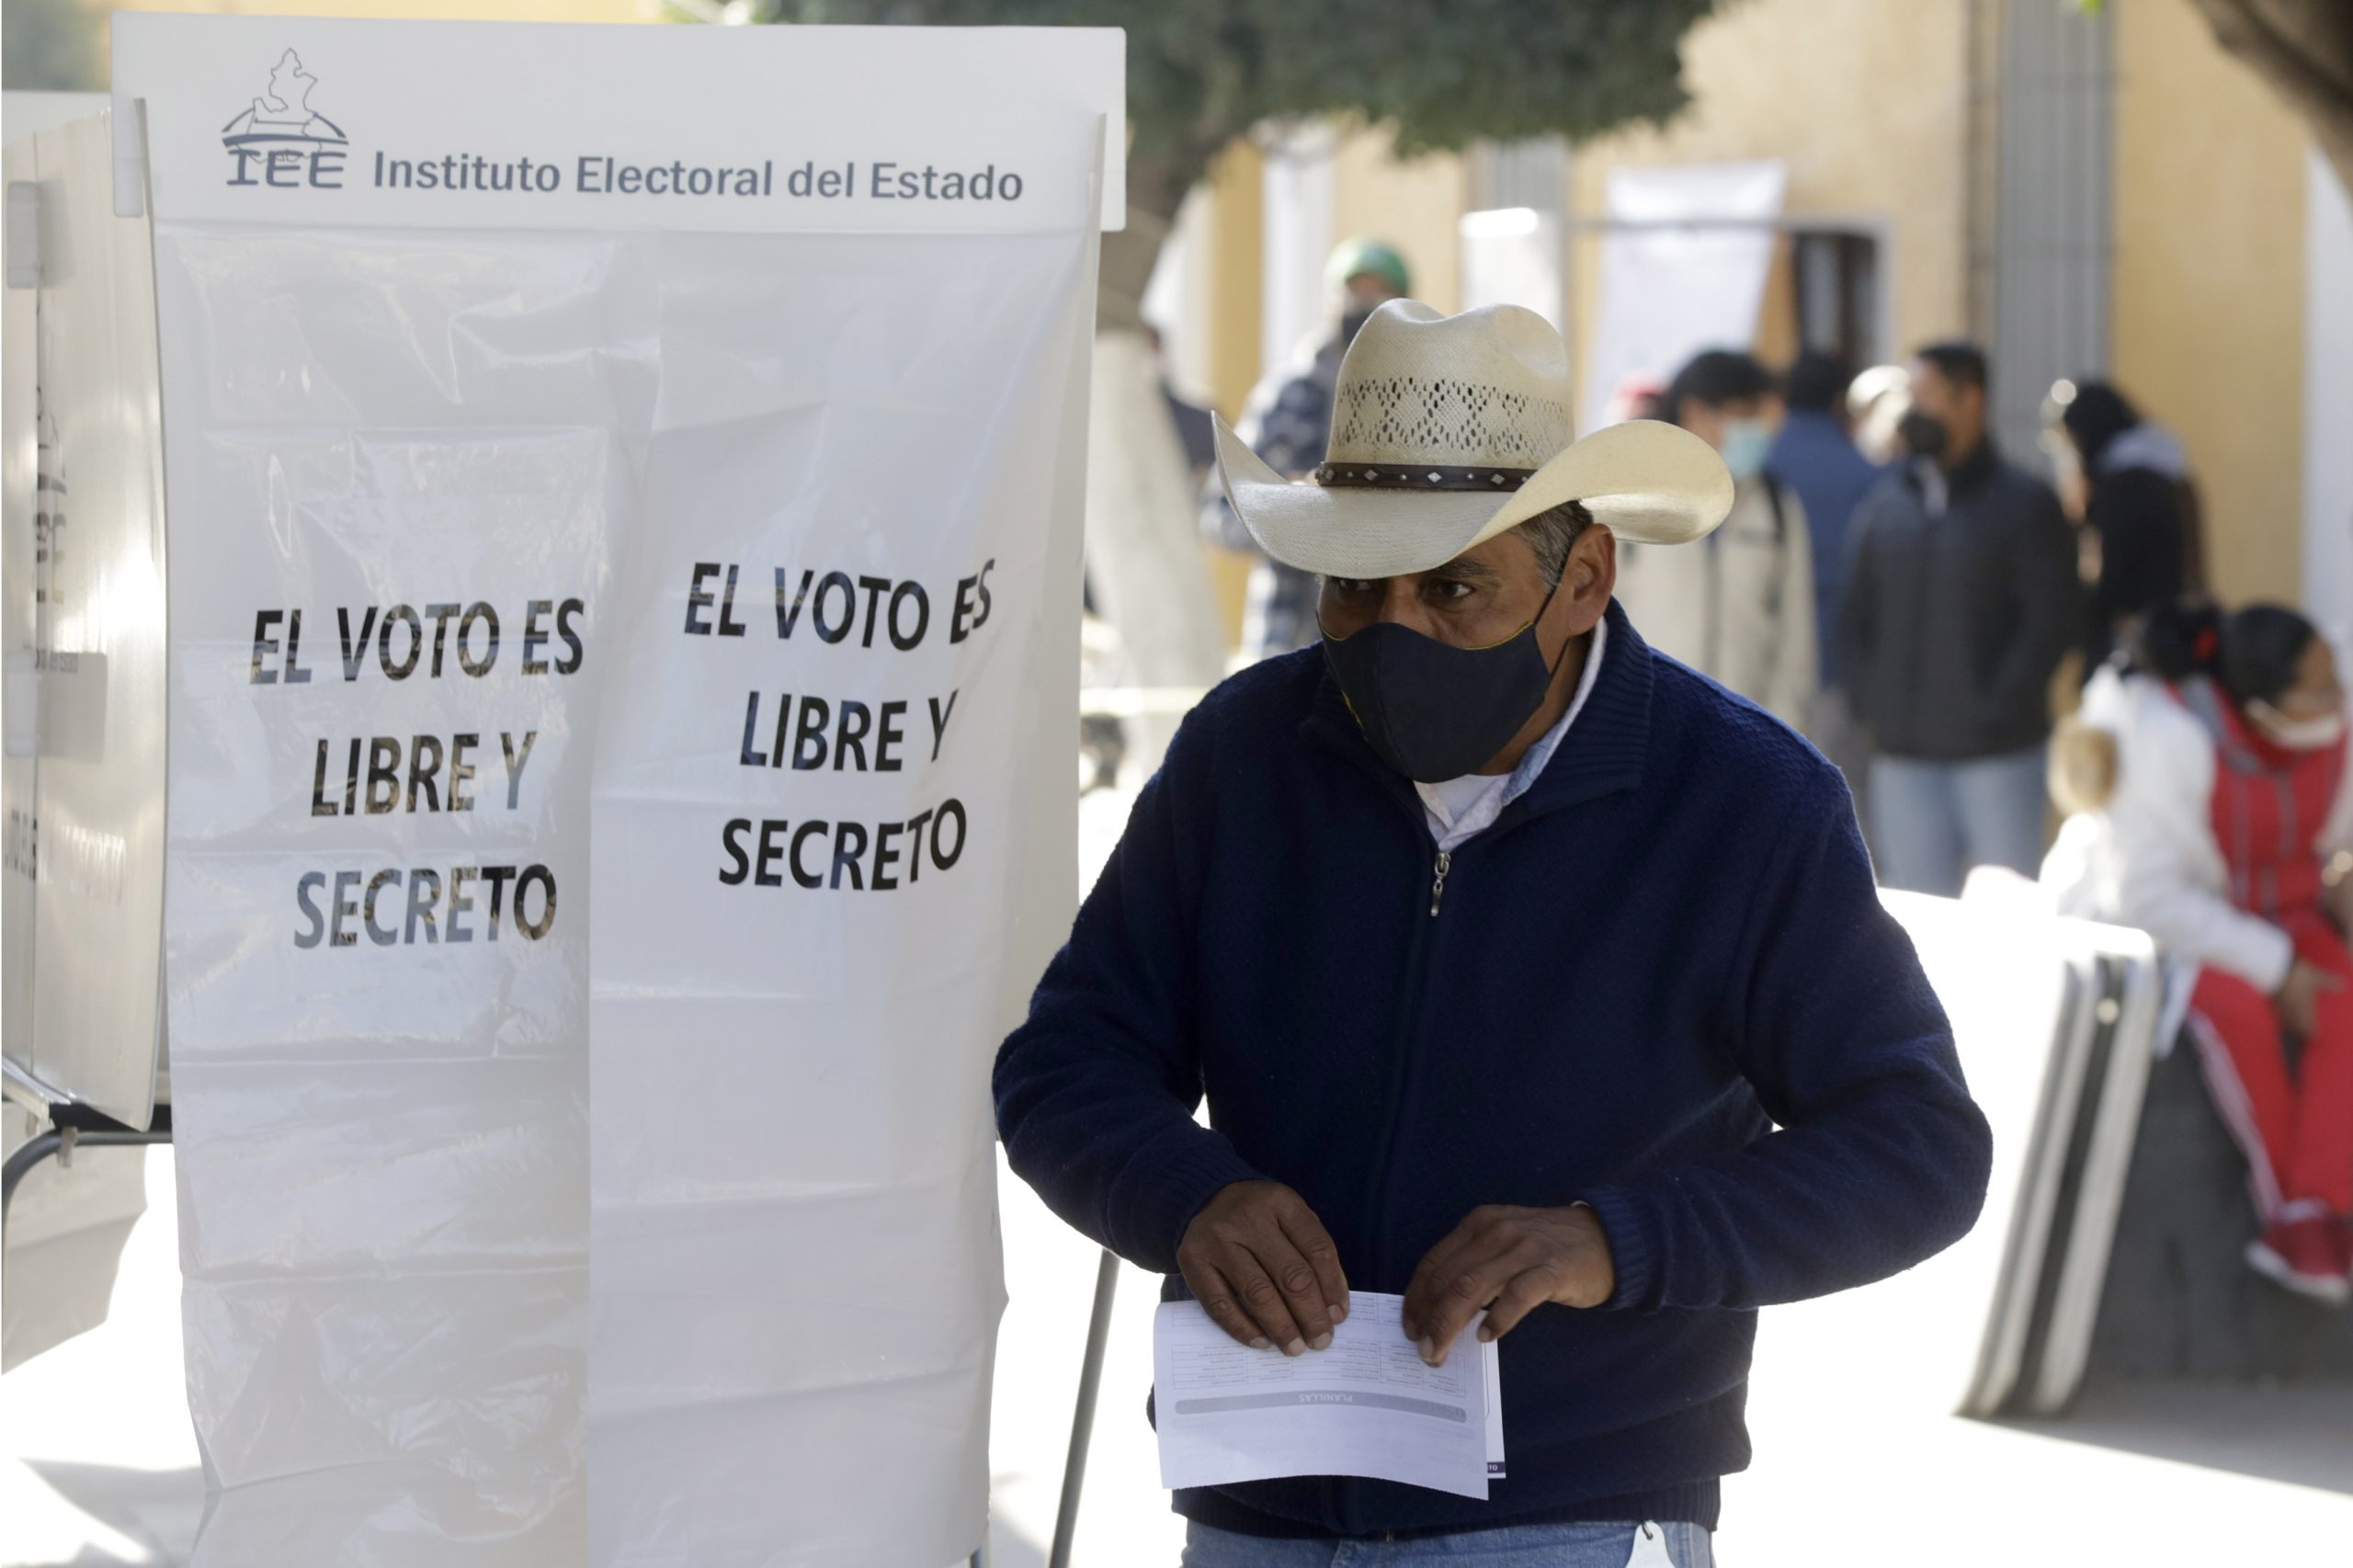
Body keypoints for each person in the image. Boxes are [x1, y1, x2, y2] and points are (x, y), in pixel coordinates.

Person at [998, 301, 1993, 1564]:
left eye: (1456, 587)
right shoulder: (1238, 756)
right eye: (1355, 588)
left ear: (1581, 581)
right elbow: (1064, 1063)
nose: (1394, 628)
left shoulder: (1745, 802)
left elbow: (1919, 1149)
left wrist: (1614, 1242)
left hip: (1572, 1507)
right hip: (1258, 1490)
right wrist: (1185, 1192)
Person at [2052, 604, 2353, 1301]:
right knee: (2239, 1014)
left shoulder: (2327, 724)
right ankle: (2293, 1216)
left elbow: (2330, 846)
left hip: (2279, 910)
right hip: (2164, 930)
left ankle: (2322, 1203)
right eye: (2319, 689)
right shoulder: (2159, 734)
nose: (2336, 699)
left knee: (2341, 999)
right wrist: (2277, 968)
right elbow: (2147, 897)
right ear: (2257, 703)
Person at [1840, 341, 2081, 896]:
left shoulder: (2025, 504)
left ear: (1970, 399)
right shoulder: (1885, 506)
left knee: (2011, 918)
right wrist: (1875, 706)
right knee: (1919, 924)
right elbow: (1857, 619)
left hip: (1999, 756)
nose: (1912, 412)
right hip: (1904, 757)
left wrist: (1996, 706)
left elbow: (2050, 622)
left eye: (1925, 396)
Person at [1201, 237, 1412, 660]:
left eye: (1377, 293)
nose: (1362, 303)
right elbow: (1220, 515)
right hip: (1288, 642)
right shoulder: (1286, 394)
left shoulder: (1423, 401)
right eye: (1352, 290)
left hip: (1388, 645)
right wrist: (1293, 506)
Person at [1611, 349, 1815, 730]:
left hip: (1746, 733)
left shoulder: (1774, 504)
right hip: (1650, 727)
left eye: (1758, 415)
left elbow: (1795, 633)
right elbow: (1601, 614)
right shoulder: (1634, 497)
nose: (1755, 429)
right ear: (1693, 412)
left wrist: (1785, 729)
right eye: (1742, 415)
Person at [1769, 349, 1884, 800]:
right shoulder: (1870, 477)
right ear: (1841, 401)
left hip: (1765, 665)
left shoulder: (1758, 474)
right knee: (1845, 798)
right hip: (1842, 667)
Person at [2049, 380, 2203, 673]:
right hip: (2170, 635)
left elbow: (2112, 581)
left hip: (2137, 652)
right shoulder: (2168, 474)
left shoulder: (2125, 488)